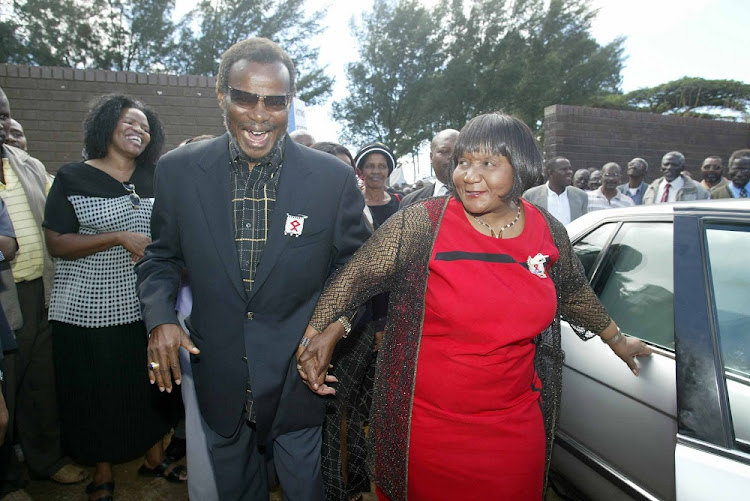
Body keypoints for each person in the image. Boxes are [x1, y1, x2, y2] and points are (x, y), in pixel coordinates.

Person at [297, 112, 652, 500]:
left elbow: (575, 293)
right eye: (463, 162)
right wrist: (318, 332)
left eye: (487, 163)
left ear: (520, 168)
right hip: (426, 428)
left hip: (514, 427)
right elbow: (356, 279)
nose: (469, 175)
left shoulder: (547, 231)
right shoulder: (423, 224)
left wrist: (618, 340)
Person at [135, 37, 369, 501]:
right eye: (244, 97)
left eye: (275, 101)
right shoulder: (178, 171)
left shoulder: (330, 178)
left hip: (297, 372)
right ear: (221, 95)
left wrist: (336, 326)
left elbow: (357, 268)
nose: (259, 114)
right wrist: (160, 317)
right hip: (216, 368)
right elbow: (161, 257)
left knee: (305, 488)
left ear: (289, 105)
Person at [43, 94, 181, 501]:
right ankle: (102, 471)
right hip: (87, 307)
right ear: (106, 126)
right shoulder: (71, 177)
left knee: (151, 385)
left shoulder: (157, 176)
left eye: (145, 126)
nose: (139, 130)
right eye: (130, 122)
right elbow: (56, 242)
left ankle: (154, 455)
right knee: (95, 391)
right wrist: (117, 238)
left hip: (147, 304)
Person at [0, 87, 88, 493]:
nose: (3, 125)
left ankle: (46, 461)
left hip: (38, 289)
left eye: (5, 115)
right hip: (3, 297)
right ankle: (7, 480)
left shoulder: (27, 164)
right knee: (5, 393)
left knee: (40, 382)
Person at [311, 141, 375, 501]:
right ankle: (339, 487)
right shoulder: (307, 208)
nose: (342, 176)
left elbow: (368, 275)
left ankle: (343, 489)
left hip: (350, 330)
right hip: (313, 329)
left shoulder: (356, 210)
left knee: (341, 414)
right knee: (330, 417)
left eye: (347, 169)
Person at [400, 129, 459, 207]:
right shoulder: (410, 202)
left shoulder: (478, 200)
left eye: (458, 152)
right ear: (431, 157)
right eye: (444, 151)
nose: (452, 157)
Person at [522, 156, 587, 224]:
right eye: (564, 169)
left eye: (570, 169)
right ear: (550, 173)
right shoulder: (531, 196)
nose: (569, 172)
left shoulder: (581, 196)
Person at [355, 142, 399, 228]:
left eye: (382, 166)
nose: (376, 171)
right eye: (370, 166)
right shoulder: (353, 204)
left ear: (388, 171)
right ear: (361, 171)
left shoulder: (400, 202)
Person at [642, 151, 710, 204]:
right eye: (666, 164)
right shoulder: (652, 188)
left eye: (674, 165)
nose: (669, 168)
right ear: (661, 168)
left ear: (682, 168)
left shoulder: (697, 189)